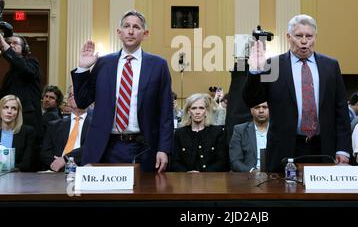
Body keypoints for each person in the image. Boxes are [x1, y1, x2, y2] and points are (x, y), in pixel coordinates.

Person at [244, 14, 351, 172]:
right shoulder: (273, 65)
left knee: (322, 196)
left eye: (309, 36)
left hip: (323, 147)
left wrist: (343, 148)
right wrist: (254, 71)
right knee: (283, 194)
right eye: (299, 35)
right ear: (288, 37)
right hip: (284, 148)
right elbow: (251, 99)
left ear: (315, 37)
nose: (304, 41)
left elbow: (341, 110)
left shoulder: (331, 66)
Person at [71, 10, 173, 172]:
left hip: (143, 147)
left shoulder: (158, 65)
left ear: (145, 34)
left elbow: (166, 112)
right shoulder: (103, 63)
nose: (131, 31)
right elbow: (83, 102)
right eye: (126, 26)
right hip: (105, 146)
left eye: (136, 27)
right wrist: (83, 68)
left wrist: (164, 149)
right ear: (119, 32)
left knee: (142, 194)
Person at [0, 33, 42, 141]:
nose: (11, 45)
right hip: (10, 122)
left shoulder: (32, 62)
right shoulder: (10, 73)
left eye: (15, 43)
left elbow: (23, 68)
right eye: (9, 43)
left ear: (24, 48)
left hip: (28, 120)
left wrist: (4, 44)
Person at [40, 85, 92, 171]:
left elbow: (92, 147)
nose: (74, 97)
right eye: (71, 95)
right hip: (57, 174)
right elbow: (45, 153)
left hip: (86, 171)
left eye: (78, 94)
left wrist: (66, 159)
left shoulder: (96, 125)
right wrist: (59, 165)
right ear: (68, 100)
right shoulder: (54, 126)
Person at [171, 93, 227, 172]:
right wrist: (187, 173)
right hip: (185, 180)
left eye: (201, 108)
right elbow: (174, 162)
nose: (197, 112)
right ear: (189, 111)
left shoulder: (217, 132)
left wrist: (203, 174)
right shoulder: (179, 133)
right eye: (194, 108)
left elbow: (222, 162)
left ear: (206, 111)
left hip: (211, 180)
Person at [229, 102, 269, 172]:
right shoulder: (240, 130)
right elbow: (235, 161)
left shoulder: (278, 131)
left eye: (264, 107)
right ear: (251, 110)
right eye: (257, 107)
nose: (261, 111)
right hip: (248, 176)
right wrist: (252, 171)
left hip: (273, 175)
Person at [0, 95, 35, 171]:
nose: (9, 111)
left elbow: (26, 164)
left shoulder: (27, 132)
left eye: (14, 108)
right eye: (5, 107)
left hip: (17, 178)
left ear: (18, 112)